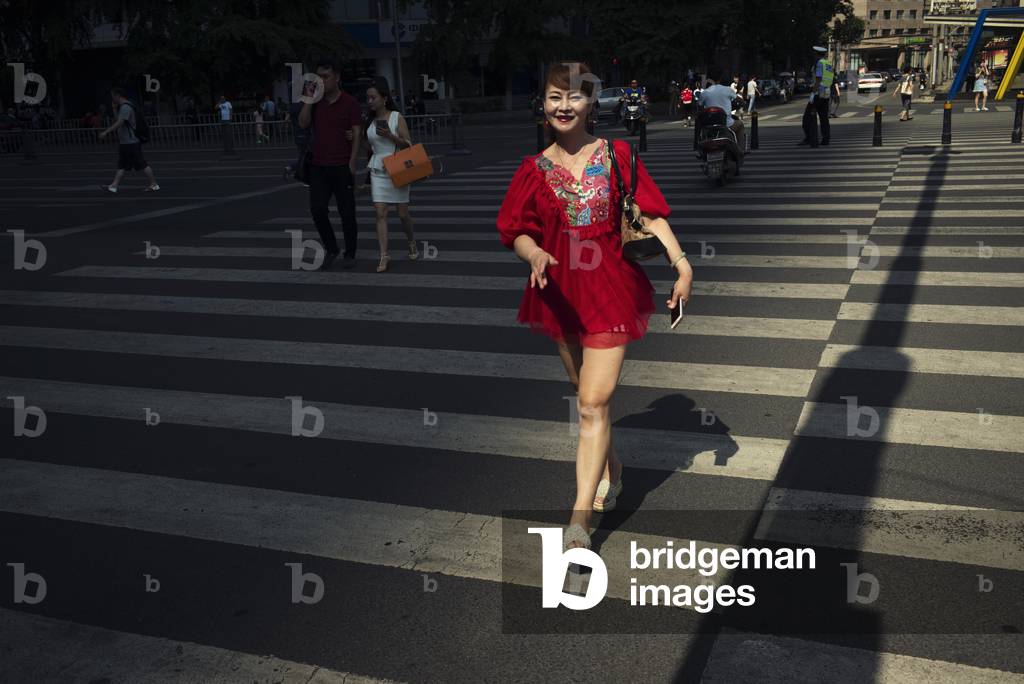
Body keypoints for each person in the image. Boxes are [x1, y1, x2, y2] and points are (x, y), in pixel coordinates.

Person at [497, 62, 693, 551]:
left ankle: (579, 522)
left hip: (609, 288)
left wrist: (682, 263)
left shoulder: (617, 154)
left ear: (592, 103)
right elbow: (514, 230)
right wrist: (534, 252)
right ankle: (615, 465)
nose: (564, 106)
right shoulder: (532, 169)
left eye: (575, 97)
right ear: (542, 105)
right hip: (557, 292)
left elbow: (646, 213)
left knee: (591, 404)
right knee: (585, 396)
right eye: (554, 97)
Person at [298, 58, 362, 270]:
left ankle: (350, 253)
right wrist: (308, 98)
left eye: (325, 76)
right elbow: (303, 123)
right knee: (317, 209)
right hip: (318, 165)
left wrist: (353, 162)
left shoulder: (350, 102)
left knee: (347, 213)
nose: (322, 81)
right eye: (319, 77)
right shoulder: (315, 103)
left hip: (342, 165)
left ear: (337, 77)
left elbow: (356, 132)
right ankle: (331, 248)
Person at [364, 77, 418, 273]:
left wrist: (390, 136)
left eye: (373, 97)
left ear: (384, 98)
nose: (369, 101)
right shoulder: (368, 120)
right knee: (380, 212)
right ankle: (384, 255)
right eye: (368, 98)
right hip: (378, 170)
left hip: (398, 168)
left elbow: (408, 144)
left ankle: (411, 241)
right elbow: (369, 146)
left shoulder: (396, 117)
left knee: (402, 214)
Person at [98, 86, 160, 193]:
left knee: (141, 164)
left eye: (113, 96)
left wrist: (106, 132)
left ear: (117, 96)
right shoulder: (124, 107)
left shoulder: (126, 107)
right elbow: (119, 120)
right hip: (126, 142)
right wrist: (113, 108)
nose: (112, 99)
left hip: (131, 142)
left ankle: (154, 184)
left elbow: (120, 122)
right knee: (122, 164)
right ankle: (114, 186)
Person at [699, 67, 746, 151]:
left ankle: (700, 150)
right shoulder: (727, 90)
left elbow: (699, 106)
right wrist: (742, 103)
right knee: (740, 124)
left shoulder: (704, 93)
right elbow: (740, 100)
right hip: (727, 125)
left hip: (709, 126)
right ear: (720, 78)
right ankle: (741, 150)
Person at [800, 46, 833, 146]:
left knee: (807, 118)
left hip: (818, 93)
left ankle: (809, 138)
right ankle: (826, 139)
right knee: (824, 118)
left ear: (817, 54)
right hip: (826, 93)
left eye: (814, 54)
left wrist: (813, 94)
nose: (813, 56)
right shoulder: (828, 63)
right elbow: (831, 78)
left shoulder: (819, 63)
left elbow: (818, 79)